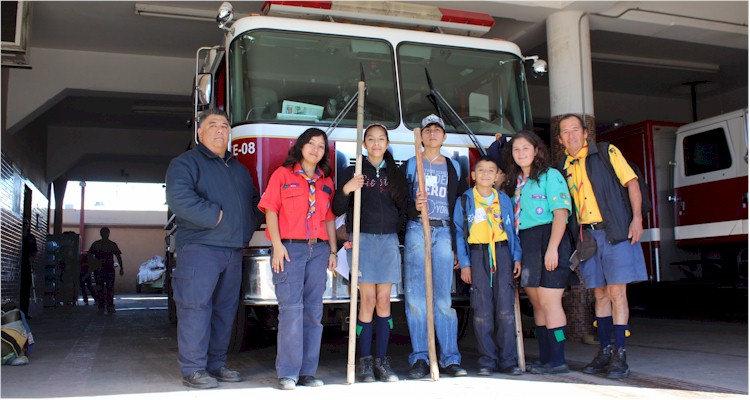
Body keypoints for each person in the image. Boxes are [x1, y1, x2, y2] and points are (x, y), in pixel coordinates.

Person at [165, 109, 262, 389]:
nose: (220, 130)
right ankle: (193, 369)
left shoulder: (239, 169)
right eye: (213, 125)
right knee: (195, 308)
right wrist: (217, 216)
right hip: (199, 248)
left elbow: (255, 203)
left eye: (225, 125)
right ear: (199, 132)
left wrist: (246, 225)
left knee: (225, 310)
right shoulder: (186, 163)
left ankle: (217, 364)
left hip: (233, 250)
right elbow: (179, 199)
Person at [557, 114, 647, 379]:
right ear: (560, 139)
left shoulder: (606, 152)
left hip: (616, 231)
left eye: (575, 130)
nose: (571, 135)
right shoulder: (565, 166)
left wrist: (637, 218)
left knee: (618, 292)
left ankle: (620, 354)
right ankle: (605, 350)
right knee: (599, 294)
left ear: (585, 133)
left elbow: (632, 183)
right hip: (590, 238)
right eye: (565, 132)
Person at [258, 128, 337, 390]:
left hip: (319, 250)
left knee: (314, 312)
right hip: (290, 249)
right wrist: (277, 245)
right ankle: (288, 372)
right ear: (301, 146)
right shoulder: (282, 175)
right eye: (311, 144)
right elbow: (270, 209)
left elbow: (328, 219)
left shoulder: (326, 182)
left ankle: (307, 372)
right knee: (291, 311)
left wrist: (333, 251)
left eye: (321, 146)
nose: (316, 150)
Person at [332, 123, 407, 383]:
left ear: (387, 144)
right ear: (364, 144)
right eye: (371, 139)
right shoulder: (352, 171)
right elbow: (336, 207)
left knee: (384, 301)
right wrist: (347, 189)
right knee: (367, 301)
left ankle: (382, 361)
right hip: (362, 240)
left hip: (387, 241)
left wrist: (398, 230)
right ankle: (364, 362)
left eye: (381, 139)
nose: (376, 144)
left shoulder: (395, 173)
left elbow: (405, 208)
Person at [401, 114, 468, 379]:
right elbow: (401, 203)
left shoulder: (453, 167)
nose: (431, 133)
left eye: (437, 130)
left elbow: (460, 207)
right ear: (420, 136)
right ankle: (419, 357)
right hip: (418, 228)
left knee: (442, 299)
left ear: (443, 137)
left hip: (444, 230)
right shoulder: (409, 166)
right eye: (427, 129)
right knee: (416, 297)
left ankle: (450, 358)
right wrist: (413, 206)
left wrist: (456, 245)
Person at [503, 130, 573, 374]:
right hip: (526, 243)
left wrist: (553, 248)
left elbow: (561, 214)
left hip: (549, 239)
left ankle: (558, 360)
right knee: (536, 302)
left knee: (550, 301)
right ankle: (545, 359)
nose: (521, 153)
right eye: (516, 149)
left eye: (526, 148)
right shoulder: (516, 183)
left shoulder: (550, 175)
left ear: (536, 150)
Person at [453, 156, 522, 376]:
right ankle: (487, 360)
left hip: (502, 254)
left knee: (505, 309)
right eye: (480, 170)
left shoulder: (503, 199)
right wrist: (465, 263)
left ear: (496, 176)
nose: (485, 174)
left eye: (490, 171)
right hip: (477, 254)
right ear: (473, 175)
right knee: (482, 310)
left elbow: (512, 232)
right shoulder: (465, 201)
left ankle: (508, 360)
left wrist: (516, 257)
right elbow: (458, 233)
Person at [88, 227, 123, 315]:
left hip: (101, 269)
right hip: (106, 269)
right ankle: (108, 306)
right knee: (108, 288)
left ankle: (103, 306)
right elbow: (118, 256)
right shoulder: (111, 244)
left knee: (102, 288)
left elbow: (89, 255)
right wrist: (121, 268)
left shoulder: (97, 244)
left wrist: (92, 265)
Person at [19, 220, 37, 318]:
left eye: (26, 224)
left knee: (26, 290)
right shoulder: (17, 235)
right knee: (20, 290)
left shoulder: (31, 237)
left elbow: (35, 251)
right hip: (18, 267)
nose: (25, 226)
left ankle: (24, 312)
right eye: (23, 224)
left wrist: (32, 258)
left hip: (27, 266)